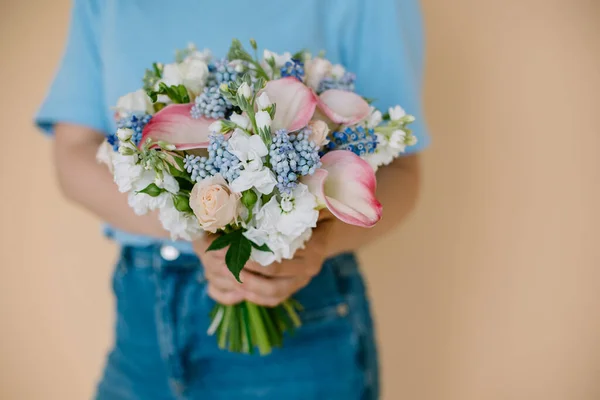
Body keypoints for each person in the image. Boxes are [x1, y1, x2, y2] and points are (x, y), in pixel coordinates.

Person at [36, 0, 429, 398]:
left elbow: (401, 173)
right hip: (142, 322)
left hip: (297, 312)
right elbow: (74, 155)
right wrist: (199, 229)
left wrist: (317, 244)